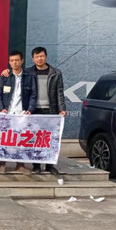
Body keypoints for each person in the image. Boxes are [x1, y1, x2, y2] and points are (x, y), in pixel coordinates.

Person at [0, 50, 37, 174]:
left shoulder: (30, 76)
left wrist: (30, 109)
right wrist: (1, 108)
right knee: (4, 138)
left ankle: (20, 164)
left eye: (17, 60)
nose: (15, 63)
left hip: (22, 113)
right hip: (7, 112)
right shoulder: (5, 76)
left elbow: (33, 95)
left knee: (21, 139)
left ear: (22, 61)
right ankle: (2, 164)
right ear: (9, 62)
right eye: (12, 60)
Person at [27, 46, 66, 175]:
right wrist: (6, 72)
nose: (40, 59)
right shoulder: (28, 72)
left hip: (50, 110)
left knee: (50, 139)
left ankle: (49, 165)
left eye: (42, 56)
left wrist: (62, 109)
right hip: (33, 110)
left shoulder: (55, 73)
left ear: (46, 57)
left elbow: (59, 92)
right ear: (33, 58)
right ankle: (36, 165)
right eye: (37, 57)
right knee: (35, 138)